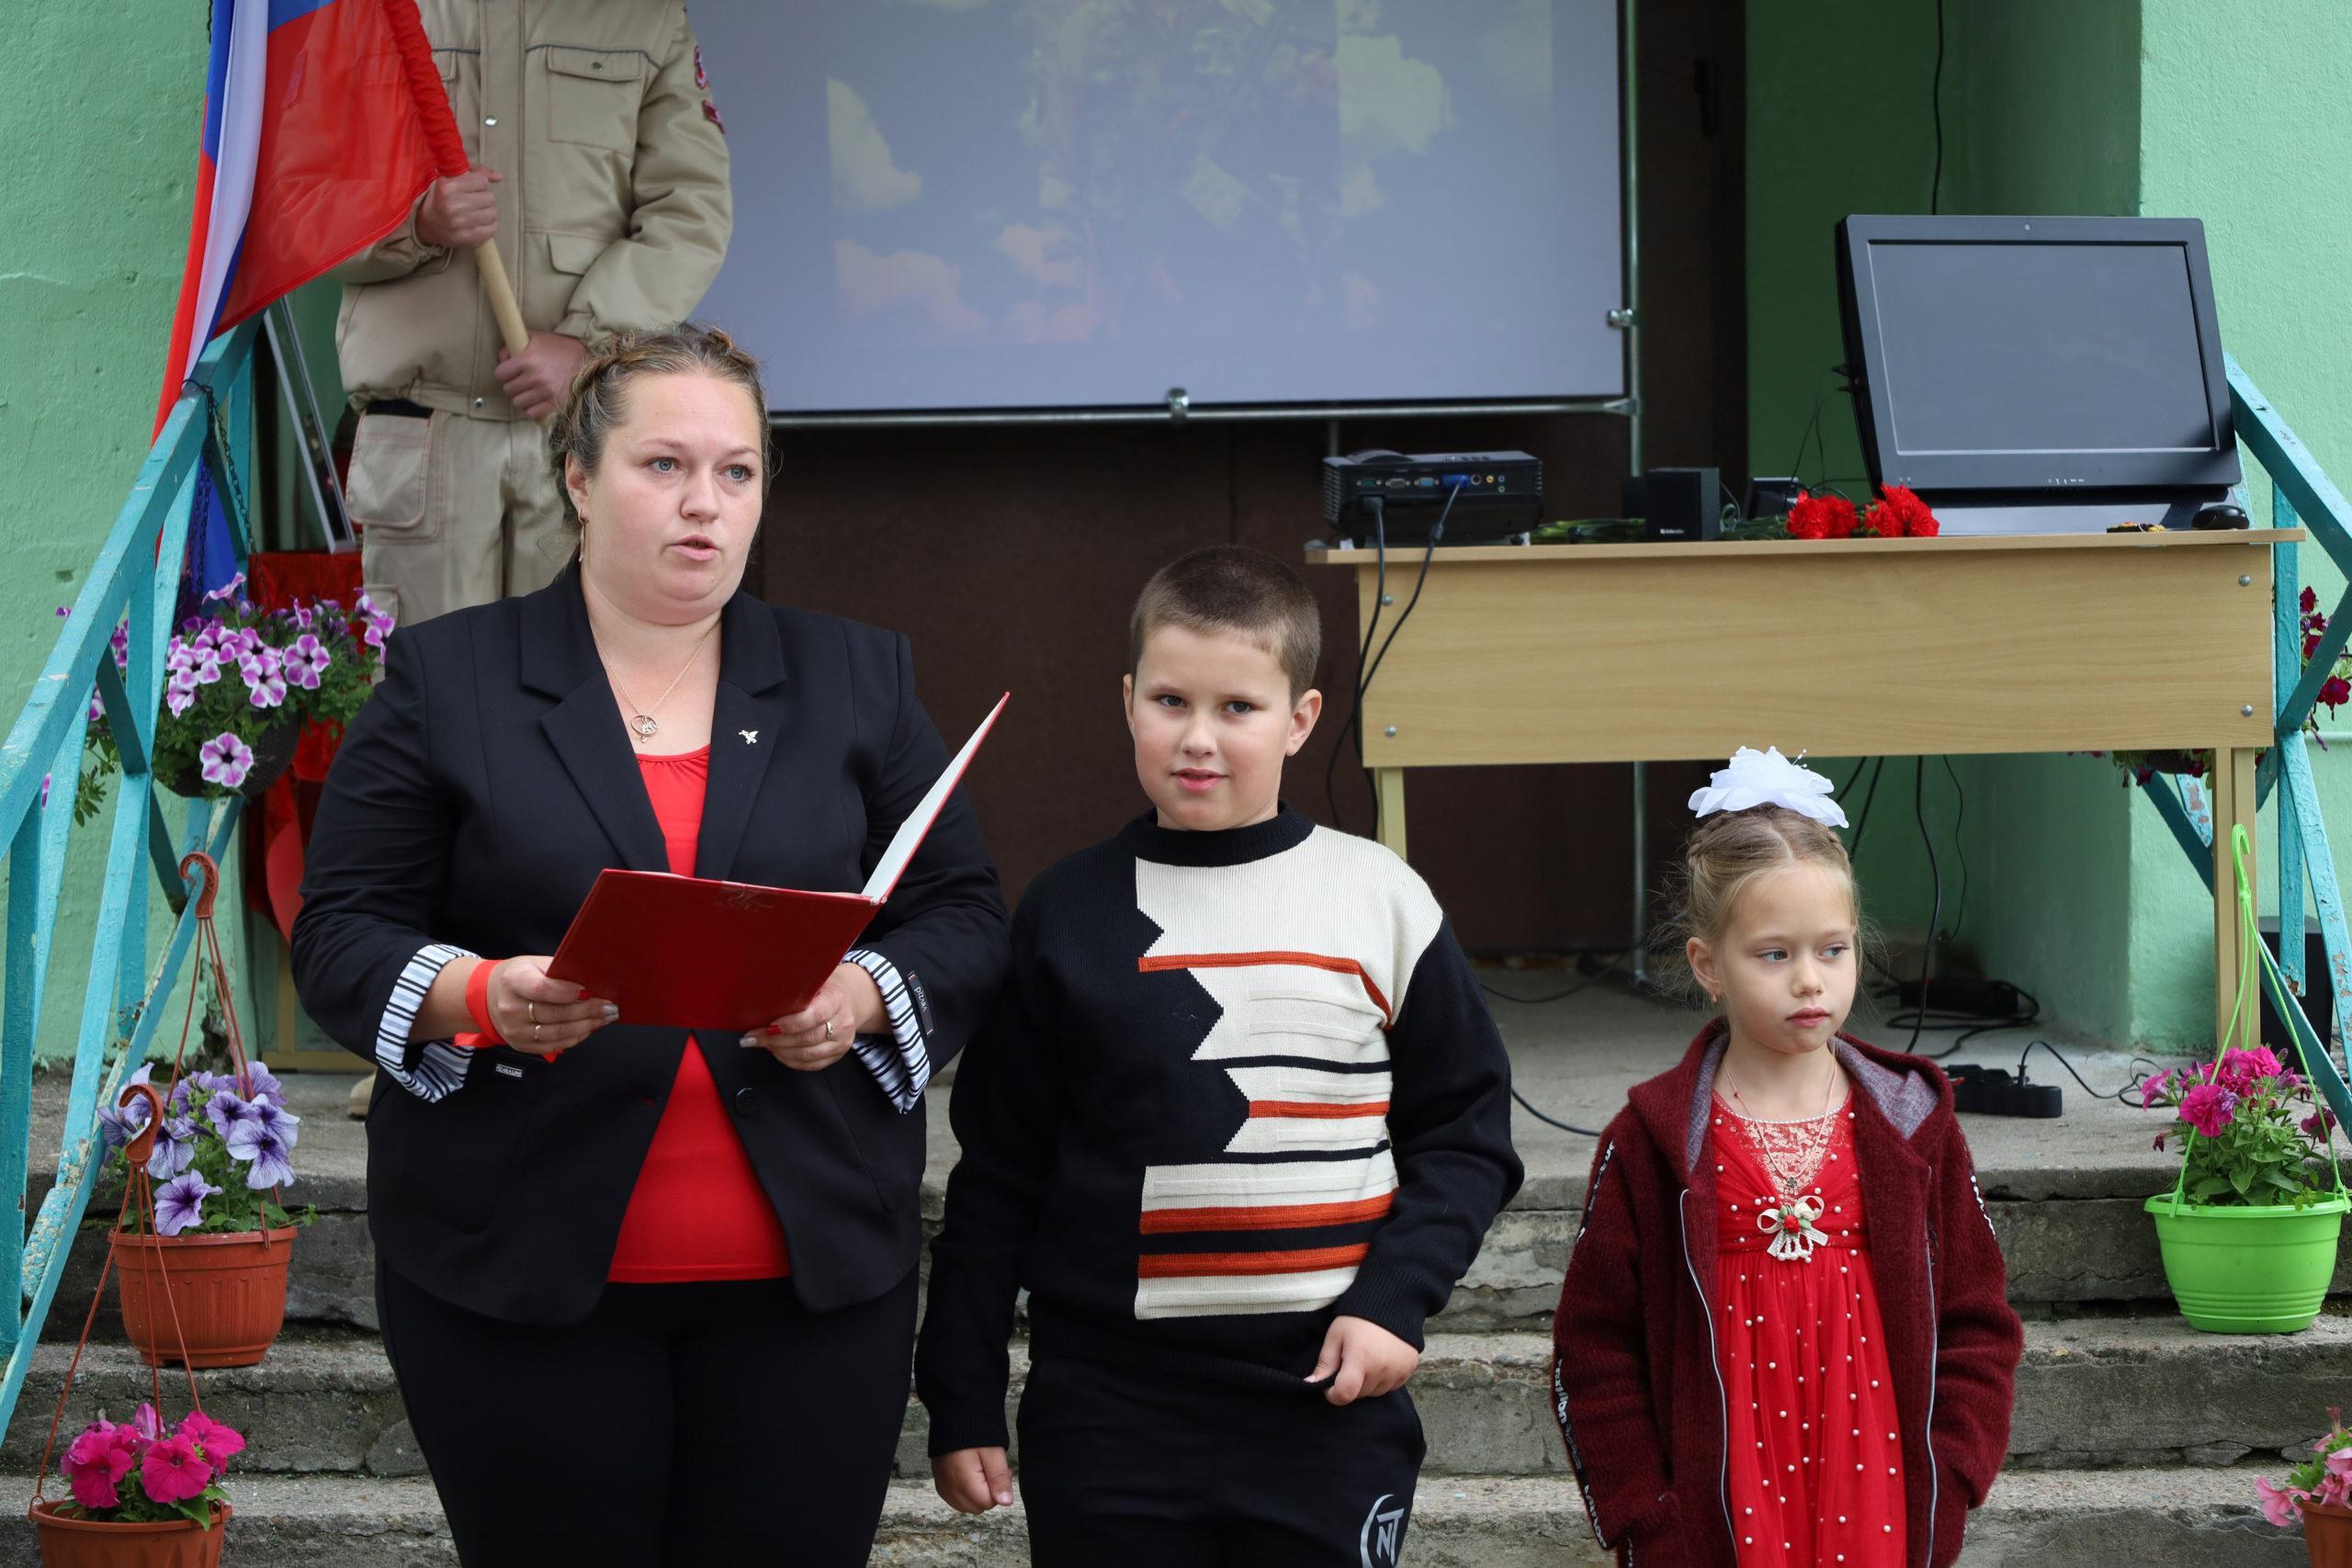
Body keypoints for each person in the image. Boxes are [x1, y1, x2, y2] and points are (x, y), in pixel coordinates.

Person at [291, 325, 1007, 1567]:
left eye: (737, 471)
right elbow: (340, 930)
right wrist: (476, 993)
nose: (704, 503)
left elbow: (963, 913)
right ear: (577, 474)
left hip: (811, 1282)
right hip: (516, 1275)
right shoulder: (445, 678)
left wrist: (861, 995)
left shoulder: (856, 675)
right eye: (663, 464)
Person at [916, 545, 1523, 1565]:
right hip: (1109, 1410)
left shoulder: (1380, 899)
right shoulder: (1066, 915)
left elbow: (1465, 1136)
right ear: (1126, 702)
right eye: (1169, 700)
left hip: (1326, 1403)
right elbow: (999, 1176)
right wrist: (962, 1390)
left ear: (1301, 718)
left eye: (1238, 708)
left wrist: (1393, 1304)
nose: (1198, 739)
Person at [1550, 749, 2022, 1567]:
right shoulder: (1652, 1141)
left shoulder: (1915, 1126)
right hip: (1717, 1518)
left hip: (1879, 1503)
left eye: (1831, 950)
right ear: (1708, 966)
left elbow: (1979, 1323)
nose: (1810, 980)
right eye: (1774, 954)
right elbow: (1595, 1349)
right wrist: (1646, 1515)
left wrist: (1949, 1475)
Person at [334, 0, 732, 629]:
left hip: (578, 424)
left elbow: (691, 212)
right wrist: (416, 223)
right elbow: (308, 199)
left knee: (569, 700)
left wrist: (586, 345)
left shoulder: (644, 18)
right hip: (426, 427)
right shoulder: (375, 13)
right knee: (430, 706)